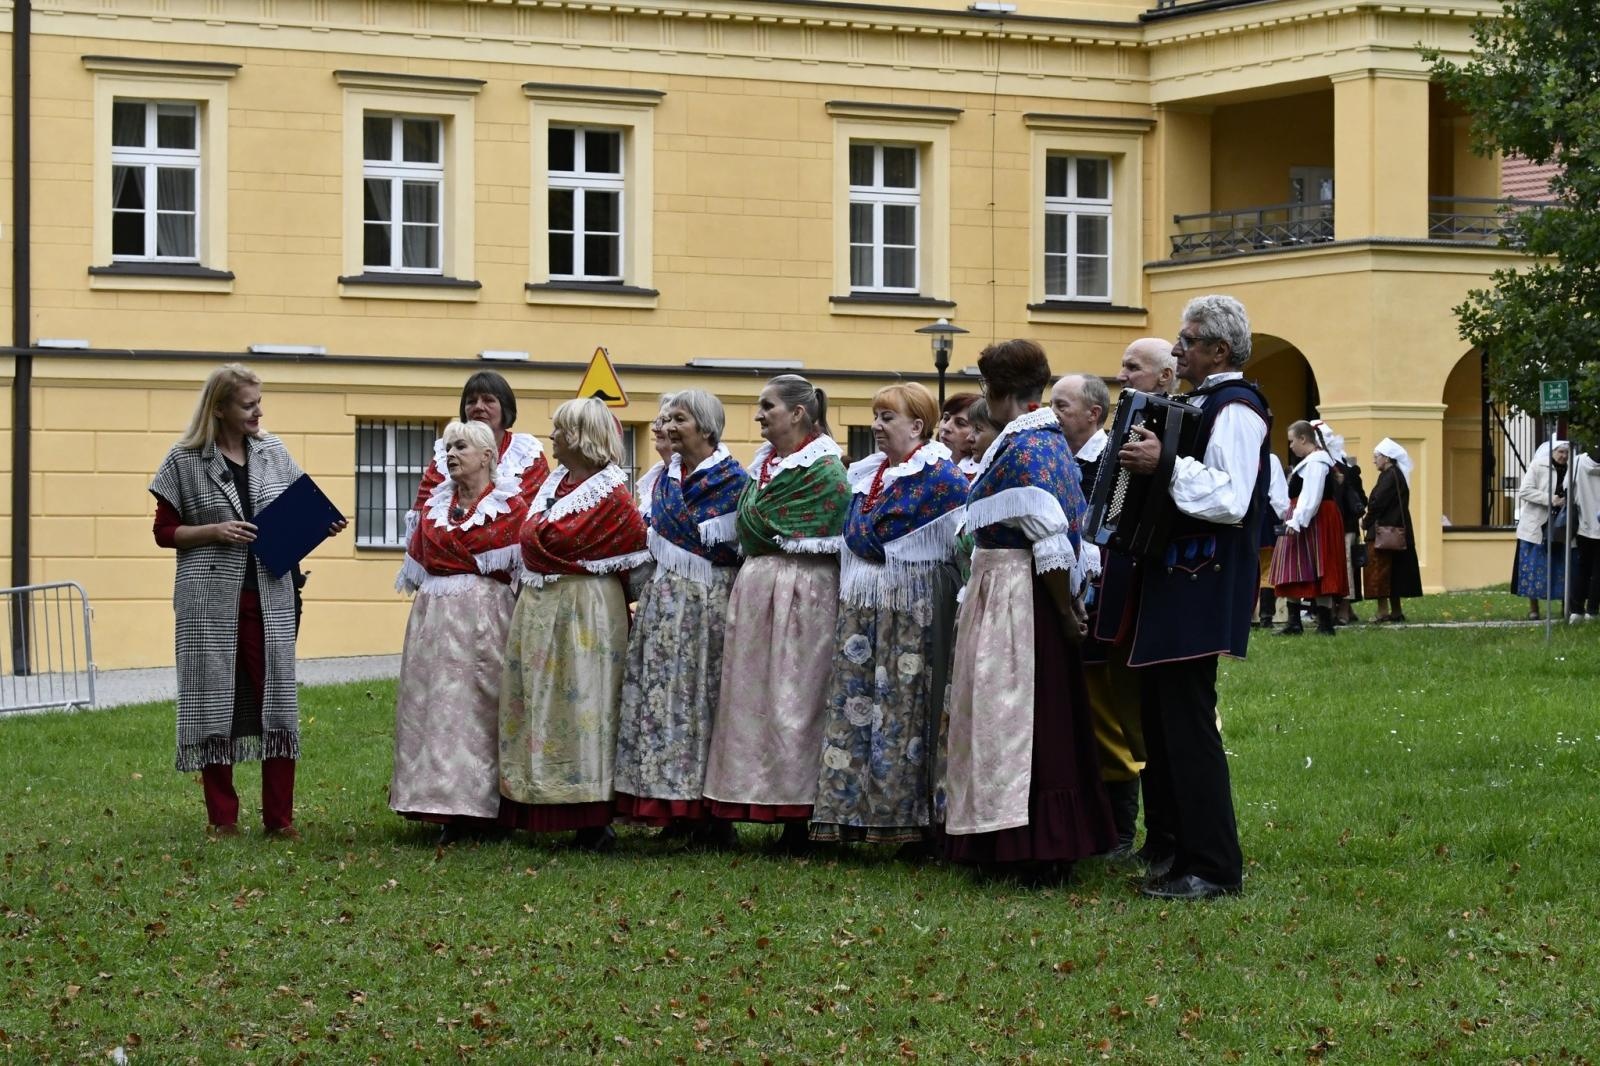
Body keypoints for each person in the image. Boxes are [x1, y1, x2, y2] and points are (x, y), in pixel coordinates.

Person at [943, 339, 1116, 885]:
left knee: (1022, 723)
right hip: (1007, 590)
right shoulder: (1035, 441)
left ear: (998, 391)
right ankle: (1003, 842)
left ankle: (1036, 847)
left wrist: (1065, 615)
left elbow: (1051, 541)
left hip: (1020, 598)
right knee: (1008, 719)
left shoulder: (1030, 447)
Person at [149, 363, 347, 839]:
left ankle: (279, 820)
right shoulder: (184, 459)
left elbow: (299, 504)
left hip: (271, 595)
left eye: (259, 401)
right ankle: (223, 819)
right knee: (211, 698)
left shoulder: (274, 451)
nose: (259, 411)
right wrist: (214, 531)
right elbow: (163, 533)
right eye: (248, 404)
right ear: (219, 408)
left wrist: (319, 524)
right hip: (208, 600)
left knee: (277, 699)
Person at [1117, 294, 1270, 900]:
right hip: (1176, 577)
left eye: (1187, 340)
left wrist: (1165, 463)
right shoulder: (1201, 403)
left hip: (1201, 580)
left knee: (1187, 723)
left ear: (1219, 350)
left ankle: (1213, 866)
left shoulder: (1238, 408)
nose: (1176, 350)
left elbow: (1231, 500)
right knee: (1162, 718)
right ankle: (1174, 846)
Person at [811, 383, 968, 847]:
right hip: (865, 610)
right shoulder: (866, 477)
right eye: (875, 416)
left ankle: (908, 819)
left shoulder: (942, 479)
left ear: (917, 426)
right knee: (856, 707)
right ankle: (851, 812)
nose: (877, 427)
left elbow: (960, 548)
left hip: (912, 613)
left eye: (887, 418)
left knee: (906, 706)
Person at [702, 374, 851, 852]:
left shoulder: (825, 469)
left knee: (797, 700)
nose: (759, 415)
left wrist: (757, 529)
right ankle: (746, 800)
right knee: (750, 700)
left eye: (767, 406)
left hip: (804, 588)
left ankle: (799, 816)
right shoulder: (766, 464)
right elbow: (751, 523)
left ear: (798, 414)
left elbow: (762, 522)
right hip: (760, 585)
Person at [498, 399, 650, 850]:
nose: (553, 439)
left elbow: (624, 558)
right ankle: (536, 797)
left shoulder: (613, 495)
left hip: (587, 609)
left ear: (582, 437)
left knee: (585, 701)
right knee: (538, 700)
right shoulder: (555, 484)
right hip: (543, 605)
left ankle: (591, 814)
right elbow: (532, 540)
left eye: (561, 431)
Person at [614, 390, 747, 842]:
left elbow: (737, 548)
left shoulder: (732, 481)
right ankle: (671, 805)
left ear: (706, 428)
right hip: (664, 601)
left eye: (680, 419)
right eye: (666, 419)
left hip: (709, 603)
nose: (668, 427)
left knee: (702, 701)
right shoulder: (664, 480)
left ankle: (712, 814)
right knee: (663, 701)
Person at [390, 420, 526, 843]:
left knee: (481, 709)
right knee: (435, 710)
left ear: (487, 456)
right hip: (435, 621)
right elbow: (418, 564)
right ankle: (443, 805)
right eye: (447, 448)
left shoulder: (510, 507)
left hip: (485, 620)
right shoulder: (436, 506)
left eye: (460, 447)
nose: (450, 455)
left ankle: (488, 809)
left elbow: (525, 568)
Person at [1053, 371, 1143, 858]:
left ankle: (1121, 831)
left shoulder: (1115, 463)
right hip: (1062, 597)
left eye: (1062, 406)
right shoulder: (1057, 458)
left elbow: (1113, 528)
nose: (1053, 414)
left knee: (1105, 716)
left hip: (1101, 600)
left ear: (1094, 413)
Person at [412, 370, 548, 518]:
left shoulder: (526, 454)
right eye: (471, 401)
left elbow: (536, 511)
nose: (478, 407)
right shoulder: (445, 454)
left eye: (488, 400)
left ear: (505, 407)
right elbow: (425, 510)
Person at [1270, 420, 1350, 637]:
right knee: (1298, 566)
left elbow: (1311, 496)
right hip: (1310, 518)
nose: (1291, 446)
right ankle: (1297, 622)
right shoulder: (1312, 461)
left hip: (1314, 520)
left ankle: (1324, 623)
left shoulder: (1316, 463)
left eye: (1292, 441)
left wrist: (1297, 521)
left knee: (1314, 567)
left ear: (1303, 439)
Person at [1311, 419, 1366, 625]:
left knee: (1346, 566)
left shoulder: (1345, 469)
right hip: (1326, 525)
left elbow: (1359, 498)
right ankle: (1335, 608)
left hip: (1345, 525)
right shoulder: (1320, 465)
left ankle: (1343, 607)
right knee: (1330, 566)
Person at [1361, 438, 1422, 623]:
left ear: (1386, 458)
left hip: (1384, 532)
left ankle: (1382, 611)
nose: (1374, 460)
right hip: (1396, 532)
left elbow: (1378, 503)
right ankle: (1396, 611)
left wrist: (1366, 521)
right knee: (1394, 572)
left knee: (1380, 572)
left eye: (1376, 456)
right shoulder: (1396, 475)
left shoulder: (1389, 476)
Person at [1513, 440, 1569, 620]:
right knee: (1533, 568)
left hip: (1562, 525)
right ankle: (1534, 609)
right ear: (1552, 452)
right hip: (1537, 525)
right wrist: (1550, 499)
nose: (1563, 456)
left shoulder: (1571, 469)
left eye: (1567, 453)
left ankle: (1564, 609)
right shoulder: (1538, 466)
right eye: (1560, 452)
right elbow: (1525, 491)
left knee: (1563, 567)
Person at [1255, 452, 1290, 628]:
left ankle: (1251, 615)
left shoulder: (1239, 454)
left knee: (1251, 567)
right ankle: (1265, 616)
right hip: (1265, 517)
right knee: (1267, 568)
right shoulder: (1270, 459)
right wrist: (1284, 516)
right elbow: (1279, 495)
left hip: (1243, 517)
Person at [1567, 446, 1600, 621]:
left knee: (1582, 568)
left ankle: (1576, 610)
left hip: (1583, 524)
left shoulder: (1578, 461)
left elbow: (1567, 487)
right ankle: (1593, 611)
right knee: (1598, 571)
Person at [634, 399, 678, 519]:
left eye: (663, 421)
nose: (654, 428)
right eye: (657, 421)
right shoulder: (658, 475)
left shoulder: (689, 477)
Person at [939, 393, 982, 479]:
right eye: (946, 418)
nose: (946, 427)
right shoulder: (919, 463)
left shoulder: (982, 476)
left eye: (960, 423)